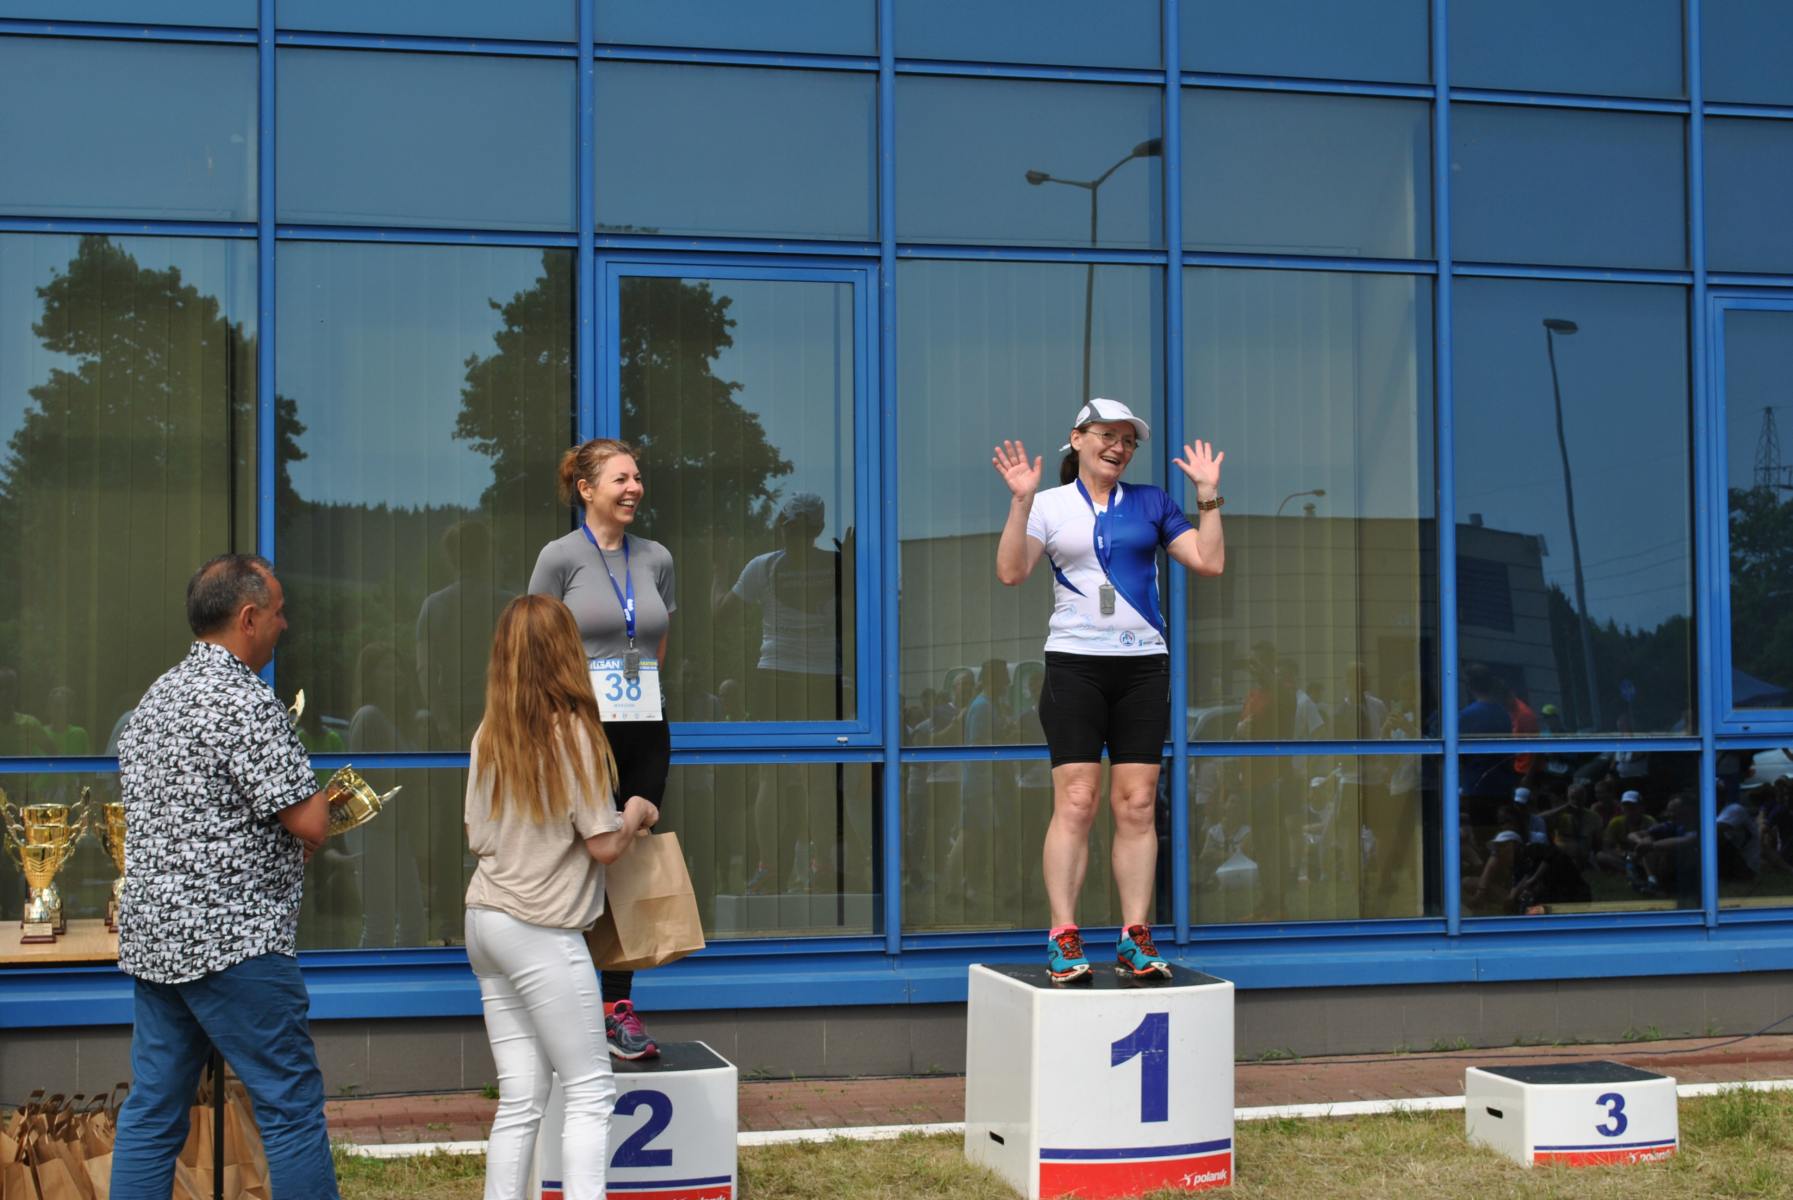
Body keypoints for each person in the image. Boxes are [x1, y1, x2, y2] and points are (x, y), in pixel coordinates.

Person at [110, 554, 340, 1199]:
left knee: (153, 1110)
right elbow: (311, 820)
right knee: (290, 1106)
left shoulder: (156, 697)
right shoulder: (245, 700)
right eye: (278, 612)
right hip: (236, 943)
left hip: (157, 939)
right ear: (247, 618)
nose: (284, 625)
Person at [993, 397, 1226, 982]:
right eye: (1107, 435)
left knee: (1138, 803)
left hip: (1142, 665)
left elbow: (1208, 561)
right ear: (1078, 438)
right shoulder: (1048, 504)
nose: (1118, 447)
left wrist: (1207, 496)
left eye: (1128, 440)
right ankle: (1063, 935)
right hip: (1075, 664)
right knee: (1077, 800)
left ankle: (1134, 936)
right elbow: (1011, 572)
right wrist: (1020, 502)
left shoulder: (1152, 502)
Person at [464, 594, 659, 1200]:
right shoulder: (574, 731)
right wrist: (636, 811)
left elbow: (476, 835)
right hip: (543, 929)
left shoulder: (490, 733)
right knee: (591, 1090)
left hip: (486, 919)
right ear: (567, 652)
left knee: (521, 1098)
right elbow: (603, 845)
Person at [530, 438, 674, 1060]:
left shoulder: (658, 557)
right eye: (620, 478)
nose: (633, 488)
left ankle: (617, 1007)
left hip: (644, 728)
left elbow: (658, 643)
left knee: (629, 857)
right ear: (586, 489)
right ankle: (561, 1005)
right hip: (579, 729)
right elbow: (535, 646)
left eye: (637, 477)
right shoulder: (559, 558)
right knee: (579, 855)